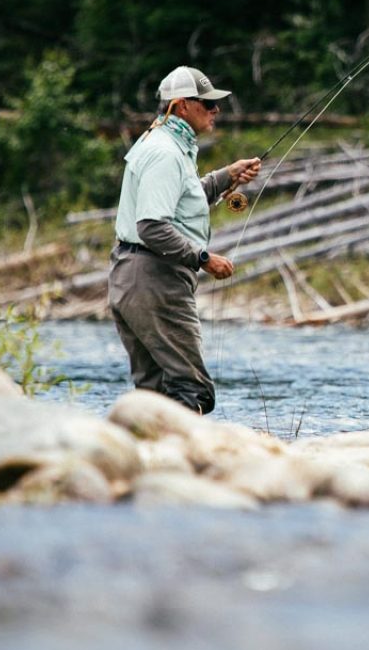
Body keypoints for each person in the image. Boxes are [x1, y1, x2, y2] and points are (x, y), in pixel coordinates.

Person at [107, 66, 262, 413]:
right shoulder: (165, 153)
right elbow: (151, 226)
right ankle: (178, 463)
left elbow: (182, 202)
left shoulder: (163, 143)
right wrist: (205, 259)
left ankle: (149, 463)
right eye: (206, 103)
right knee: (191, 391)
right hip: (155, 280)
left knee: (155, 395)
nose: (215, 110)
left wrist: (227, 176)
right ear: (180, 106)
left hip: (134, 277)